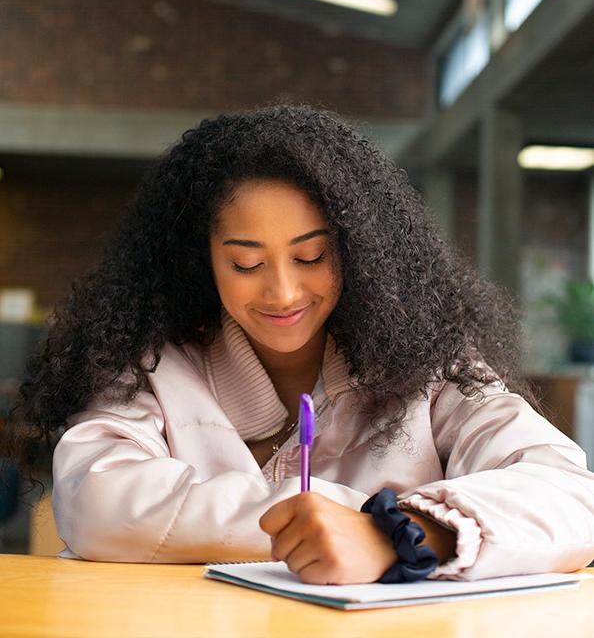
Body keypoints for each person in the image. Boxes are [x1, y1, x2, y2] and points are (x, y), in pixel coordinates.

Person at [12, 105, 594, 584]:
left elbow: (570, 494)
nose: (283, 290)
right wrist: (327, 512)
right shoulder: (152, 370)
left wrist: (401, 533)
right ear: (201, 259)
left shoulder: (432, 371)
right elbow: (98, 500)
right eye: (245, 263)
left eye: (311, 257)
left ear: (358, 251)